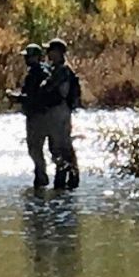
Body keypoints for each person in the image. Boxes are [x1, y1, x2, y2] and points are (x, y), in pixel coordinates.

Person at [8, 43, 58, 187]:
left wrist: (17, 98)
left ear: (36, 57)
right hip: (48, 116)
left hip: (37, 117)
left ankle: (41, 177)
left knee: (34, 149)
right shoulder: (46, 70)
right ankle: (44, 176)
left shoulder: (36, 73)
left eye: (28, 56)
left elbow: (35, 97)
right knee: (45, 149)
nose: (26, 59)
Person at [44, 38, 81, 188]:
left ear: (58, 52)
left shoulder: (62, 71)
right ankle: (67, 177)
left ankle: (68, 177)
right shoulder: (58, 69)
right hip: (59, 110)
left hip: (60, 110)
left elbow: (49, 88)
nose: (48, 53)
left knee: (60, 145)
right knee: (59, 145)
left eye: (50, 50)